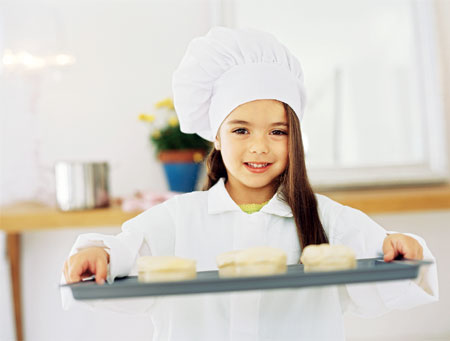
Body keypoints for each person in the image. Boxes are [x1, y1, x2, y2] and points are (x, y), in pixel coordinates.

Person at [61, 27, 438, 341]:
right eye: (241, 129)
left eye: (278, 131)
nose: (259, 146)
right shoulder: (178, 218)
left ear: (296, 139)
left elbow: (387, 267)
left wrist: (404, 247)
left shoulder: (327, 219)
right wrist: (100, 255)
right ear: (217, 137)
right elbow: (125, 249)